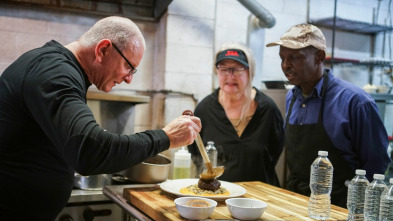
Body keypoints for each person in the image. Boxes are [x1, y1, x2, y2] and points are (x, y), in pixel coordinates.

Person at [0, 16, 201, 221]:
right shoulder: (54, 73)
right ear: (103, 49)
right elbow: (88, 150)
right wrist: (166, 137)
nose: (129, 79)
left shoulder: (60, 69)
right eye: (128, 67)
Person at [266, 23, 391, 207]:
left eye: (295, 58)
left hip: (339, 207)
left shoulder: (356, 102)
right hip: (297, 203)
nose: (286, 66)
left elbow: (376, 166)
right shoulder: (292, 97)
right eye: (282, 58)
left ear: (319, 57)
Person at [188, 42, 285, 186]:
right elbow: (197, 153)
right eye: (224, 69)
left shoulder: (268, 110)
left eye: (238, 69)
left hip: (261, 197)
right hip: (217, 196)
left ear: (250, 71)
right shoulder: (205, 110)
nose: (230, 75)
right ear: (217, 71)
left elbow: (274, 153)